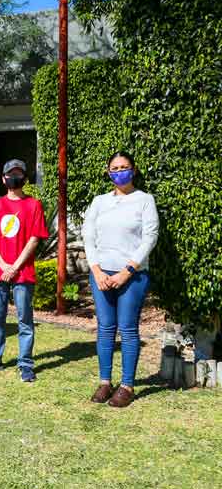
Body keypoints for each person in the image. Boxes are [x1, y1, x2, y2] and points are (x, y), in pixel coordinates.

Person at [82, 152, 159, 408]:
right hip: (101, 274)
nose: (120, 171)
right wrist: (96, 270)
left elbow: (150, 237)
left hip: (132, 275)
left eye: (124, 167)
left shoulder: (144, 200)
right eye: (115, 168)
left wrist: (128, 270)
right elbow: (88, 236)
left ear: (133, 170)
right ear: (108, 172)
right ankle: (105, 382)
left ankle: (126, 385)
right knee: (105, 328)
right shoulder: (99, 202)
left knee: (127, 329)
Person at [0, 159, 48, 382]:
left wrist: (15, 266)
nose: (15, 177)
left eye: (19, 173)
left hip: (22, 272)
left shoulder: (34, 205)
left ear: (25, 178)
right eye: (10, 173)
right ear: (4, 178)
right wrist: (4, 265)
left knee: (25, 319)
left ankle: (25, 363)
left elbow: (34, 239)